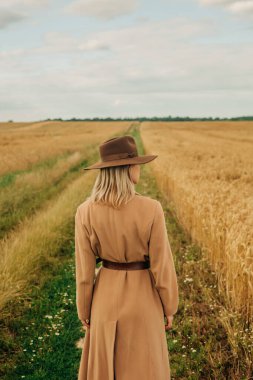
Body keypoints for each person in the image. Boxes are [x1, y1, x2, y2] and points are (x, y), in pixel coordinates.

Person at [75, 135, 179, 380]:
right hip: (143, 299)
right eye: (137, 164)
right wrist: (169, 306)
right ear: (128, 169)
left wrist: (84, 309)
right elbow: (161, 265)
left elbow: (84, 272)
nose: (139, 169)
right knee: (146, 367)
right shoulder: (151, 208)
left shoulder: (85, 211)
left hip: (105, 299)